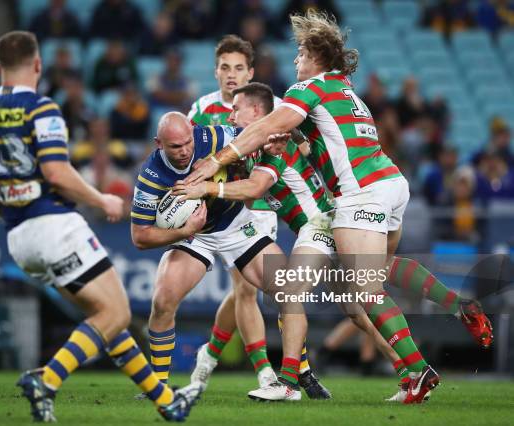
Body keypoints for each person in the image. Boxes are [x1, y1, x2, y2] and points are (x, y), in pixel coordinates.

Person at [184, 10, 444, 403]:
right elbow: (305, 139)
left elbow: (260, 167)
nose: (295, 61)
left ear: (316, 56)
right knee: (357, 301)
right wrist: (285, 140)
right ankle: (410, 371)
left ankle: (296, 381)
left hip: (339, 209)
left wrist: (215, 167)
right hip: (386, 187)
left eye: (300, 54)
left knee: (348, 293)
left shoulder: (306, 92)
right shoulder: (346, 91)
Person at [178, 82, 493, 402]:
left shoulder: (273, 139)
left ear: (258, 111)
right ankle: (418, 362)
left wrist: (207, 189)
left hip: (320, 222)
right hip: (335, 215)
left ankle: (286, 383)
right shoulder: (266, 137)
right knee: (361, 303)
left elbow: (255, 188)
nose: (230, 115)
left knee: (291, 290)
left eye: (236, 109)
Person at [0, 30, 201, 422]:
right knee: (116, 314)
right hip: (55, 225)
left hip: (20, 237)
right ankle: (47, 379)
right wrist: (101, 199)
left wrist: (4, 208)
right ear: (37, 64)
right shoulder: (42, 108)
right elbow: (56, 171)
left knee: (106, 317)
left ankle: (166, 401)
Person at [130, 111, 283, 393]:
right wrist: (184, 230)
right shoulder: (151, 177)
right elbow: (140, 236)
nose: (185, 150)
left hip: (235, 225)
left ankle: (294, 376)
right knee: (162, 301)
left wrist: (268, 145)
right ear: (158, 144)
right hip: (194, 236)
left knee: (286, 288)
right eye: (175, 146)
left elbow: (254, 135)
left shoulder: (210, 137)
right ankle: (158, 385)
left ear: (193, 132)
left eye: (187, 142)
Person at [186, 35, 293, 394]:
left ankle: (210, 354)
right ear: (215, 71)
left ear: (250, 72)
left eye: (238, 68)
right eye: (225, 68)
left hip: (262, 205)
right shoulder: (201, 108)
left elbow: (294, 147)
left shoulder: (273, 106)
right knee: (245, 289)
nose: (231, 75)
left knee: (248, 291)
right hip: (223, 210)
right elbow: (184, 156)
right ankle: (267, 371)